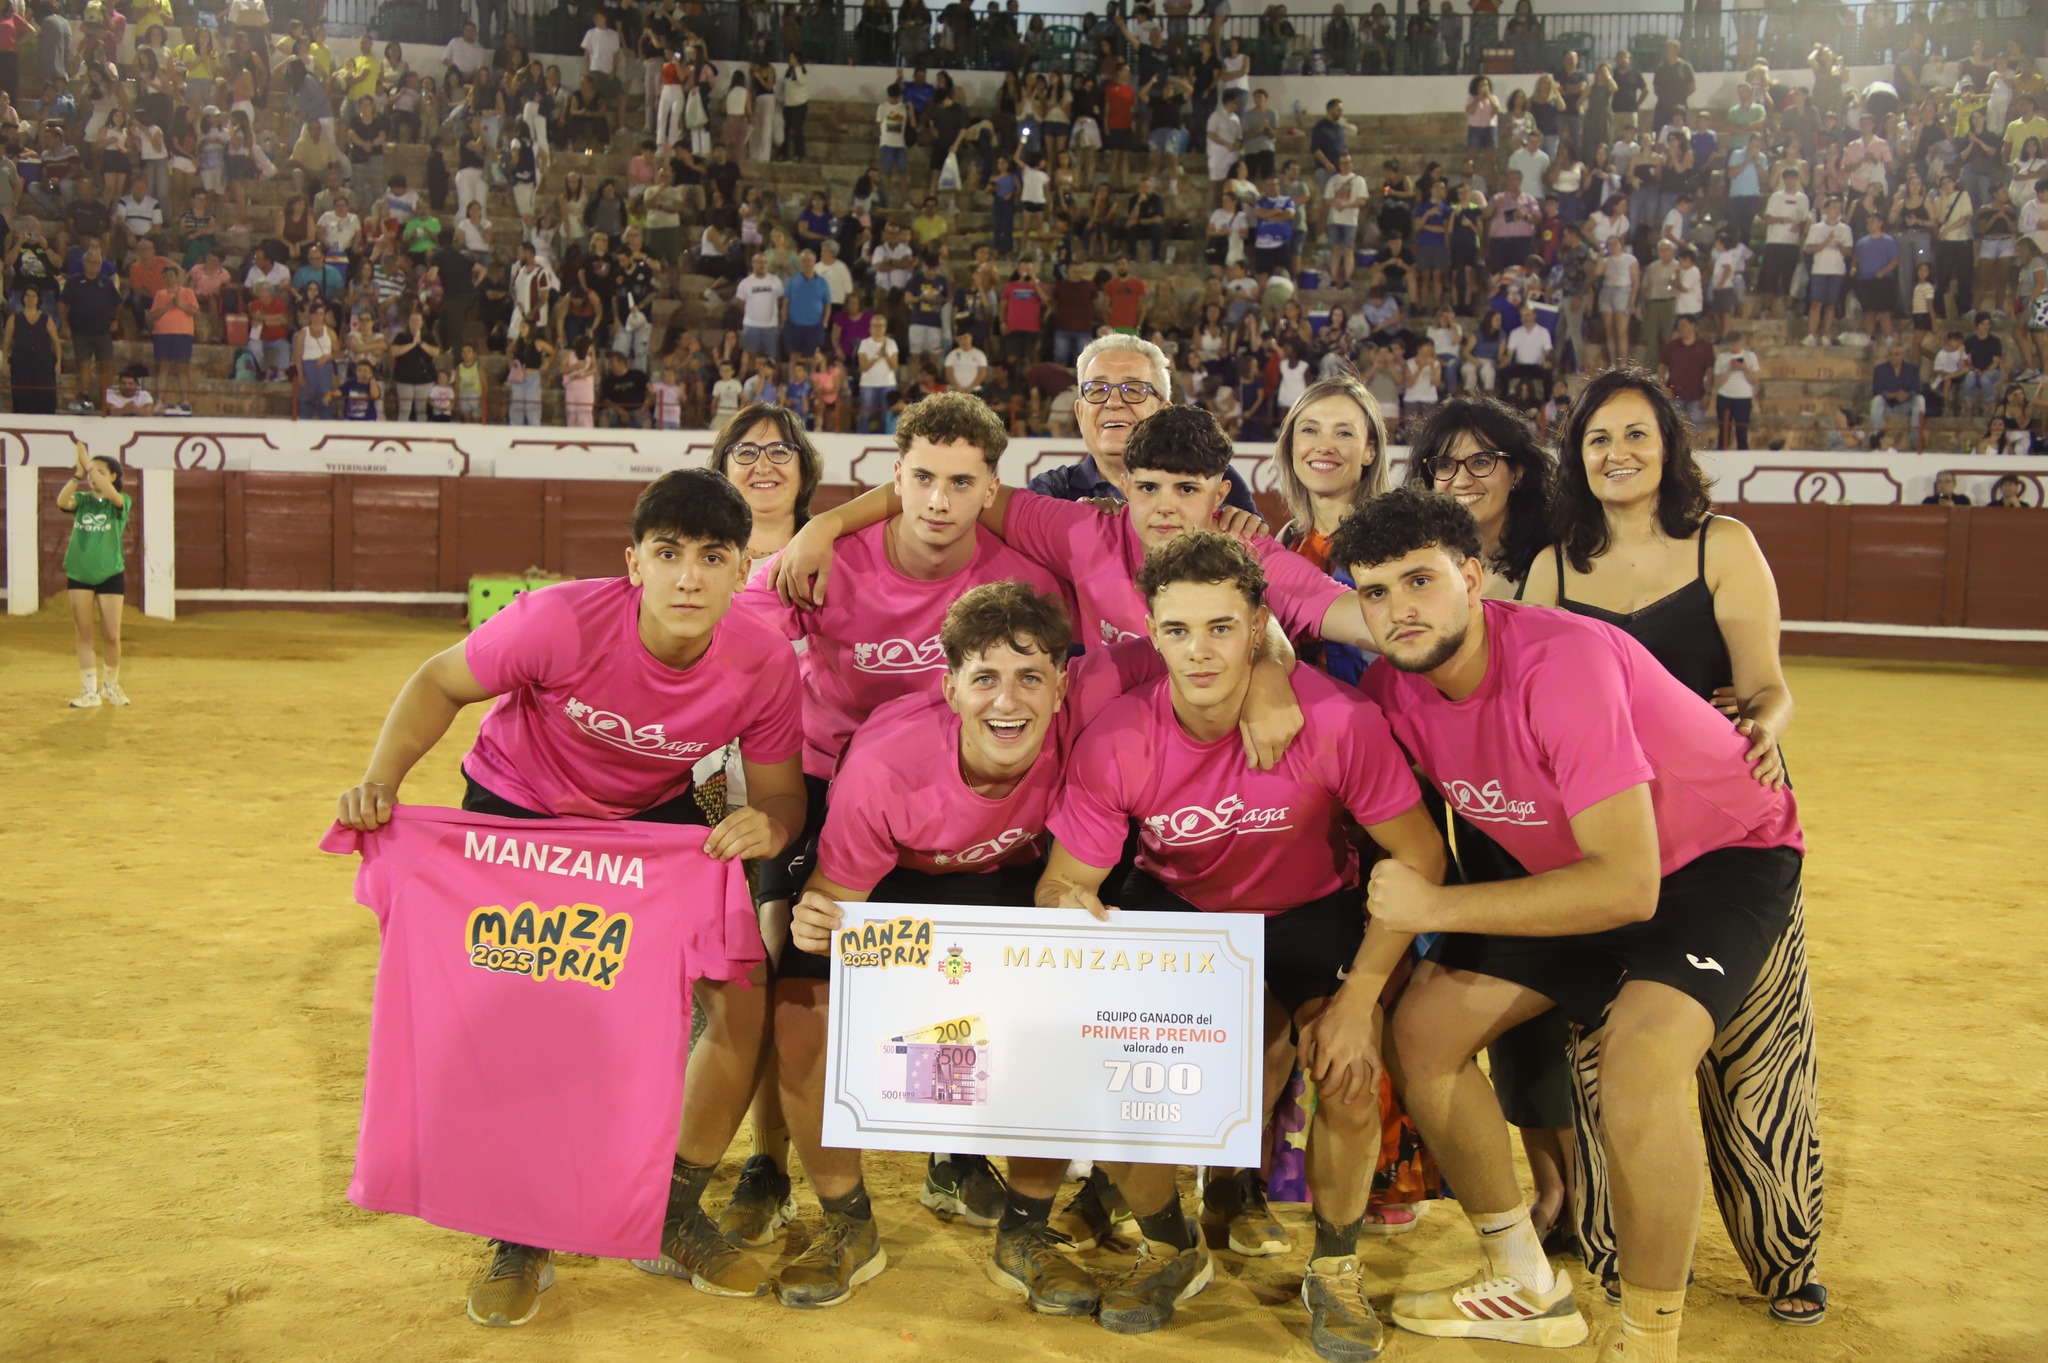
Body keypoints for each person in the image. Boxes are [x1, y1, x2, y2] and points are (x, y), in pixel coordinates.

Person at [1329, 478, 1806, 1360]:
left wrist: (1438, 907)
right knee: (1425, 1028)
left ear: (1473, 575)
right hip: (1571, 866)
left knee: (1639, 1060)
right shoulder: (1405, 691)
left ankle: (1648, 1338)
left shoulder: (1563, 664)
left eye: (1420, 580)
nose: (1399, 608)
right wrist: (1363, 988)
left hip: (1714, 860)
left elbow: (1628, 890)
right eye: (1376, 591)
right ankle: (1522, 1278)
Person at [333, 469, 808, 1327]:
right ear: (634, 563)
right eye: (668, 554)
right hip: (518, 810)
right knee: (525, 1014)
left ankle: (666, 1206)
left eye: (712, 557)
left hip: (647, 824)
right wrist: (380, 779)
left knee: (741, 998)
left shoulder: (765, 661)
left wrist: (770, 828)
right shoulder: (558, 619)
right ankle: (521, 1230)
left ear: (744, 570)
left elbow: (779, 798)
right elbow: (439, 681)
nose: (689, 577)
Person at [785, 580, 1278, 1318]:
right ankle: (847, 1222)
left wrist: (1269, 680)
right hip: (903, 885)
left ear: (1062, 684)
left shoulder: (1102, 684)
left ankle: (1025, 1229)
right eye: (984, 678)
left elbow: (1226, 644)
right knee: (805, 1000)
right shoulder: (885, 765)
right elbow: (839, 905)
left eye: (1029, 677)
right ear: (949, 687)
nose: (1006, 700)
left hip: (1028, 878)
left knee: (1064, 1009)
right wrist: (815, 929)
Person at [1035, 529, 1446, 1349]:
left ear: (1258, 627)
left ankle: (1333, 1266)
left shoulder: (1338, 722)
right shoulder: (1119, 738)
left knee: (1350, 1071)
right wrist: (1063, 906)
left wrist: (1360, 998)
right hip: (1183, 912)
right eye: (1179, 630)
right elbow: (1064, 878)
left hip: (1311, 911)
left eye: (1221, 627)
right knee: (1113, 1065)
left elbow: (1421, 856)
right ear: (1151, 631)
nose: (1199, 651)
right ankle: (1171, 1245)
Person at [730, 394, 1064, 1308]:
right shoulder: (825, 557)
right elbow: (741, 649)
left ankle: (963, 1161)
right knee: (785, 969)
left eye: (962, 483)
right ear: (895, 476)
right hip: (841, 790)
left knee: (1024, 987)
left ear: (990, 489)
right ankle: (780, 1171)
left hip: (986, 794)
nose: (940, 500)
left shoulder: (1024, 572)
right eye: (921, 478)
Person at [1516, 368, 1829, 1331]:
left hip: (1727, 827)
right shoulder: (1551, 570)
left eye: (1637, 436)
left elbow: (1765, 683)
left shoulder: (1723, 545)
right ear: (1577, 455)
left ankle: (1786, 1259)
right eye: (1599, 438)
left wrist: (1768, 724)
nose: (1617, 453)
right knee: (1611, 1055)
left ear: (1669, 448)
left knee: (1757, 1058)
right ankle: (1618, 1255)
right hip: (1608, 845)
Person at [1026, 334, 1260, 513]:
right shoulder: (1051, 492)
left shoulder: (1209, 478)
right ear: (1079, 413)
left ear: (1164, 413)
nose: (1113, 402)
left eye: (1134, 389)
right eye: (1097, 390)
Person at [57, 440, 131, 709]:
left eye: (100, 471)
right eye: (91, 472)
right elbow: (61, 501)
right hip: (79, 573)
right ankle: (90, 691)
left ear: (113, 476)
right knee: (84, 633)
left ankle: (111, 686)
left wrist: (88, 463)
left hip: (110, 573)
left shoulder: (120, 502)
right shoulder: (84, 500)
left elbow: (114, 496)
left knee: (112, 634)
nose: (92, 476)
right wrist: (78, 474)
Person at [5, 283, 62, 414]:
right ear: (23, 298)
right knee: (22, 396)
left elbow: (56, 342)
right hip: (21, 364)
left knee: (45, 396)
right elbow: (7, 341)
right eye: (27, 295)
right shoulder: (14, 319)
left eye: (34, 296)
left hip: (43, 364)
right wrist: (5, 362)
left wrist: (58, 362)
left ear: (38, 299)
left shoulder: (46, 319)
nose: (30, 299)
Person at [1869, 341, 1926, 437]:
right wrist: (1894, 395)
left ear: (1903, 355)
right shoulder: (1880, 369)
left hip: (1905, 405)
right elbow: (1876, 390)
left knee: (1920, 399)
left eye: (1896, 354)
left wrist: (1907, 394)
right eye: (1890, 354)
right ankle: (1876, 436)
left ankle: (1915, 438)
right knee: (1876, 400)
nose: (1893, 357)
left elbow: (1916, 389)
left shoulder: (1913, 369)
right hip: (1887, 405)